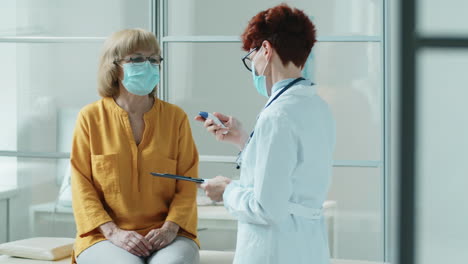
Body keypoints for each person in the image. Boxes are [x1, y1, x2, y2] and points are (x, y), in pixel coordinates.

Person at [196, 4, 336, 264]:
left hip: (275, 250)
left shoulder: (277, 115)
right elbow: (291, 172)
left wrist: (226, 191)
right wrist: (243, 140)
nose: (253, 64)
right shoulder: (317, 106)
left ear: (266, 50)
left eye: (252, 54)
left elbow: (266, 208)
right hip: (308, 247)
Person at [71, 28, 200, 264]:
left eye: (153, 59)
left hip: (170, 234)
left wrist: (169, 229)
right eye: (137, 59)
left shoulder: (175, 118)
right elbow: (81, 187)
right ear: (114, 66)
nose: (148, 65)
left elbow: (187, 183)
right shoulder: (90, 117)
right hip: (104, 235)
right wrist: (114, 233)